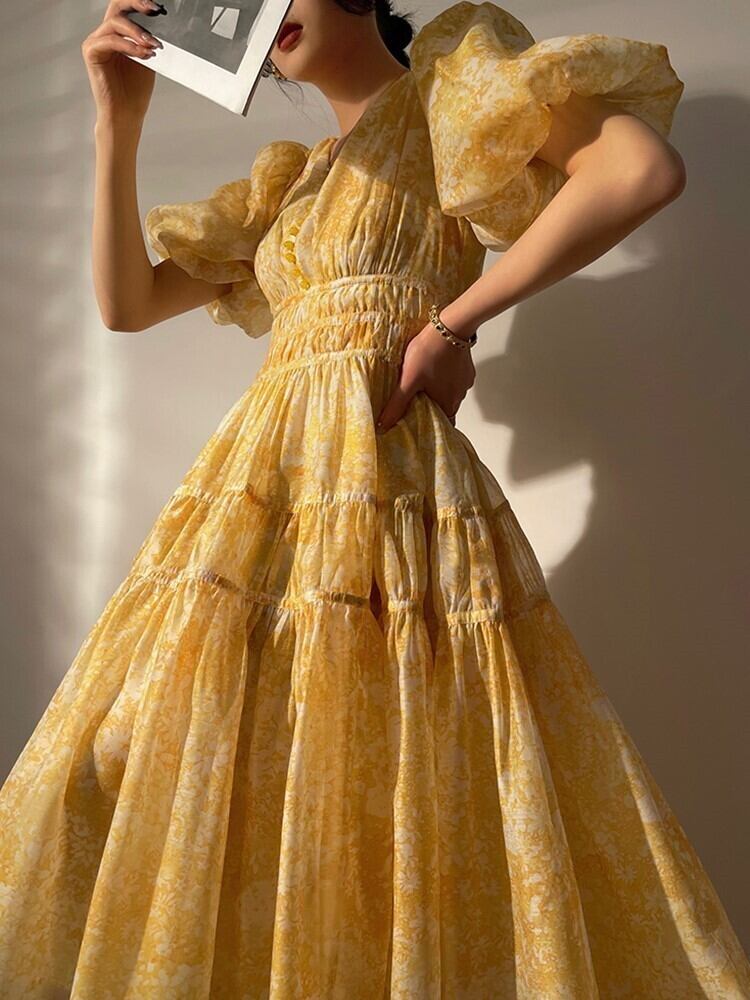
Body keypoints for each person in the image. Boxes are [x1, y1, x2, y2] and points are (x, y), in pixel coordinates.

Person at [1, 0, 748, 996]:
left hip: (392, 493)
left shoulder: (448, 90)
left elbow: (639, 170)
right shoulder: (291, 183)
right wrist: (118, 114)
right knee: (127, 762)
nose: (267, 14)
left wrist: (453, 323)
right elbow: (126, 303)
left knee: (392, 781)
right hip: (265, 500)